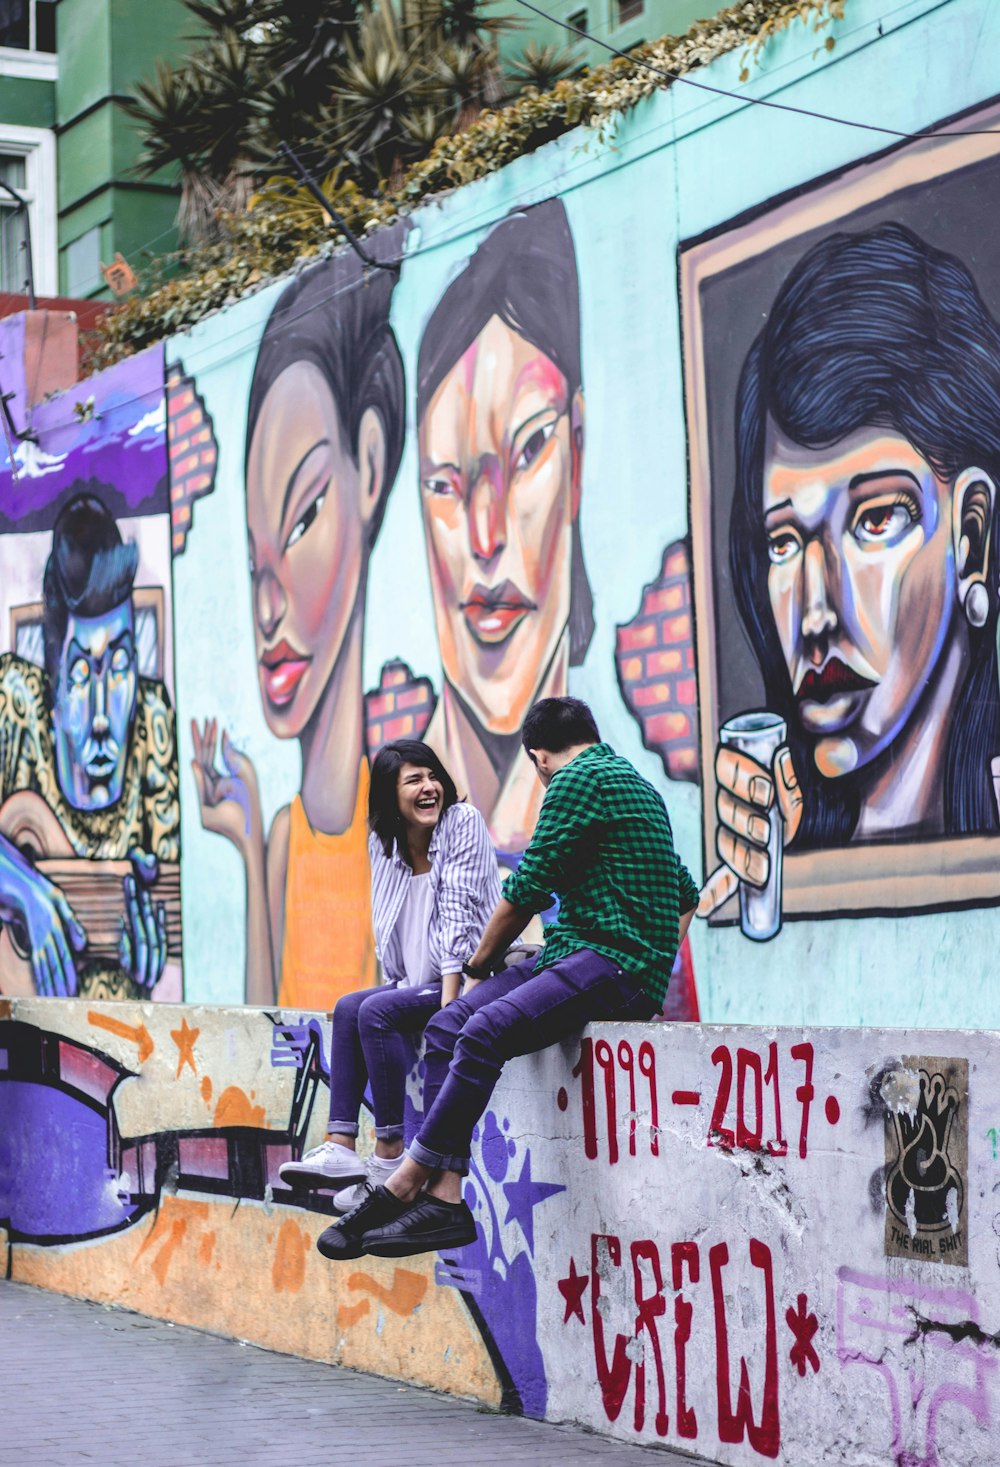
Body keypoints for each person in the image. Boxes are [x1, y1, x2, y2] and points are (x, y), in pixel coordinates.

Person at [315, 696, 698, 1260]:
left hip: (607, 962)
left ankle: (408, 1184)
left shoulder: (575, 781)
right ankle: (443, 1197)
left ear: (537, 758)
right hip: (579, 955)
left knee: (484, 1027)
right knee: (447, 1027)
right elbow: (685, 895)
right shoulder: (639, 787)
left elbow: (525, 893)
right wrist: (659, 951)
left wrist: (477, 966)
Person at [700, 223, 1000, 916]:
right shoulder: (776, 842)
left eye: (874, 519)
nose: (815, 611)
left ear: (972, 531)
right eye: (783, 541)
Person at [189, 232, 407, 1007]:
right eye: (254, 560)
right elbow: (264, 1025)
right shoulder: (284, 835)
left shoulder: (402, 824)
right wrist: (249, 845)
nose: (267, 604)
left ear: (372, 467)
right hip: (309, 1127)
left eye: (303, 518)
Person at [417, 200, 594, 868]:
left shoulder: (608, 813)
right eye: (445, 482)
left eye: (527, 453)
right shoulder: (387, 829)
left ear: (577, 450)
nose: (485, 536)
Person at [279, 739, 501, 1209]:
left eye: (432, 776)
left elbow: (459, 916)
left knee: (377, 1012)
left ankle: (388, 1154)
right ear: (389, 796)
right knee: (348, 1007)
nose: (429, 788)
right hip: (417, 982)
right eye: (414, 780)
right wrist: (401, 984)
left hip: (473, 979)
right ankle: (340, 1145)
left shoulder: (463, 823)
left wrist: (449, 1000)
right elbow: (387, 922)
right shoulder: (385, 843)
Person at [0, 489, 178, 999]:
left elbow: (167, 909)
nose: (102, 717)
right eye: (81, 673)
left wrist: (149, 965)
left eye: (118, 666)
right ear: (53, 683)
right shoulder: (16, 706)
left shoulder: (152, 718)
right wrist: (24, 892)